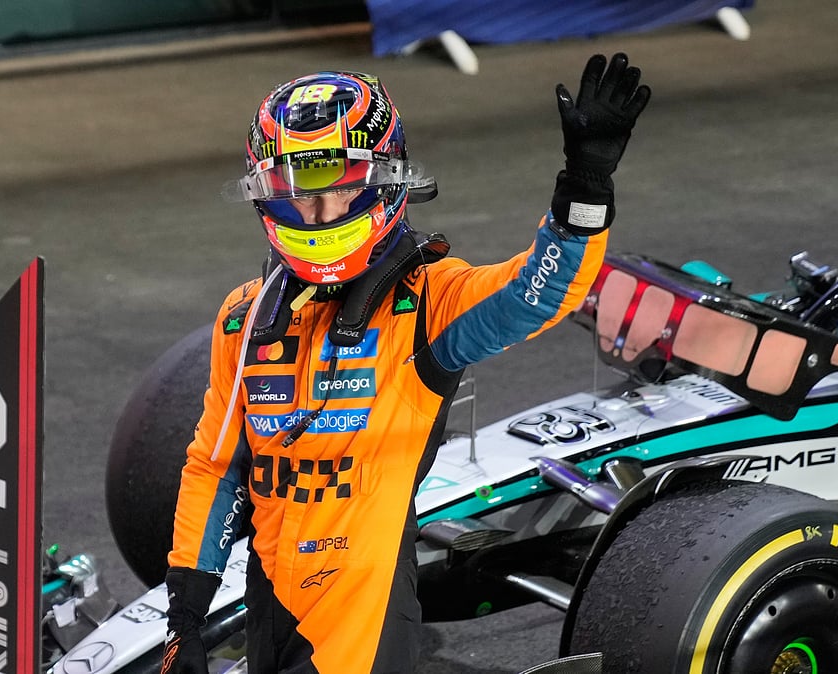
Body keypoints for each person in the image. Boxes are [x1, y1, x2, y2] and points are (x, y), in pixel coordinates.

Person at [161, 53, 650, 674]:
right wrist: (184, 618)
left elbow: (537, 294)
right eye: (299, 197)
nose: (319, 215)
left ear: (383, 181)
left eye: (336, 191)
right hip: (272, 602)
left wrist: (584, 187)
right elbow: (216, 467)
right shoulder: (246, 315)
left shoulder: (430, 301)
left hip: (364, 610)